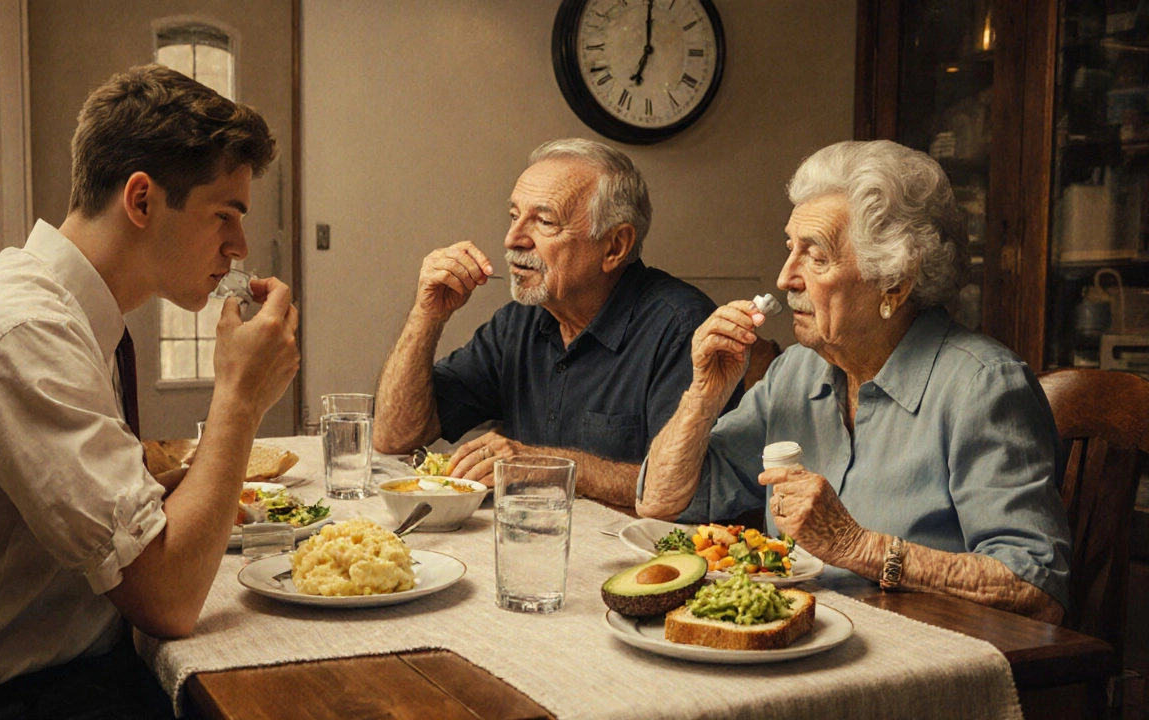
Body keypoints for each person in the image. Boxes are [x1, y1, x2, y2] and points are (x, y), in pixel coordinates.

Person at [0, 65, 300, 718]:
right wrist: (240, 400)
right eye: (225, 215)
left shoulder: (68, 314)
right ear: (142, 200)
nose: (239, 248)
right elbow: (168, 600)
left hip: (61, 672)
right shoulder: (22, 331)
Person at [637, 140, 1070, 622]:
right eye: (790, 250)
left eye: (815, 256)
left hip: (923, 659)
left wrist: (858, 546)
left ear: (894, 283)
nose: (784, 278)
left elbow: (1036, 585)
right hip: (796, 639)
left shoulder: (983, 386)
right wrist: (703, 395)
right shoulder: (794, 373)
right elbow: (662, 504)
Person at [374, 138, 739, 508]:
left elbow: (691, 490)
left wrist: (543, 466)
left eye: (544, 221)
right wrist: (427, 315)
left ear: (615, 246)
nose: (513, 239)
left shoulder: (681, 327)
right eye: (514, 216)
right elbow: (394, 437)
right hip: (530, 541)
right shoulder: (520, 320)